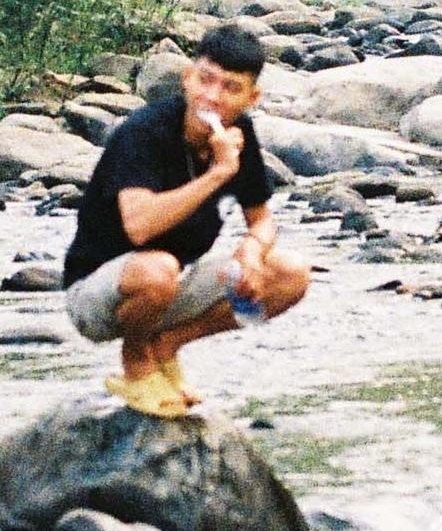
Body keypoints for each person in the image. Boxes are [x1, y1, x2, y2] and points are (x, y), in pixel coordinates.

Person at [61, 24, 310, 415]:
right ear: (187, 77)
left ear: (251, 97)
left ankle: (167, 346)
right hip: (98, 295)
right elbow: (139, 226)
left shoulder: (238, 132)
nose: (211, 96)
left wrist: (252, 249)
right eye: (205, 80)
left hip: (171, 287)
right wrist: (217, 174)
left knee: (289, 273)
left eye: (230, 88)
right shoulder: (144, 132)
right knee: (157, 269)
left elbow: (262, 219)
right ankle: (136, 361)